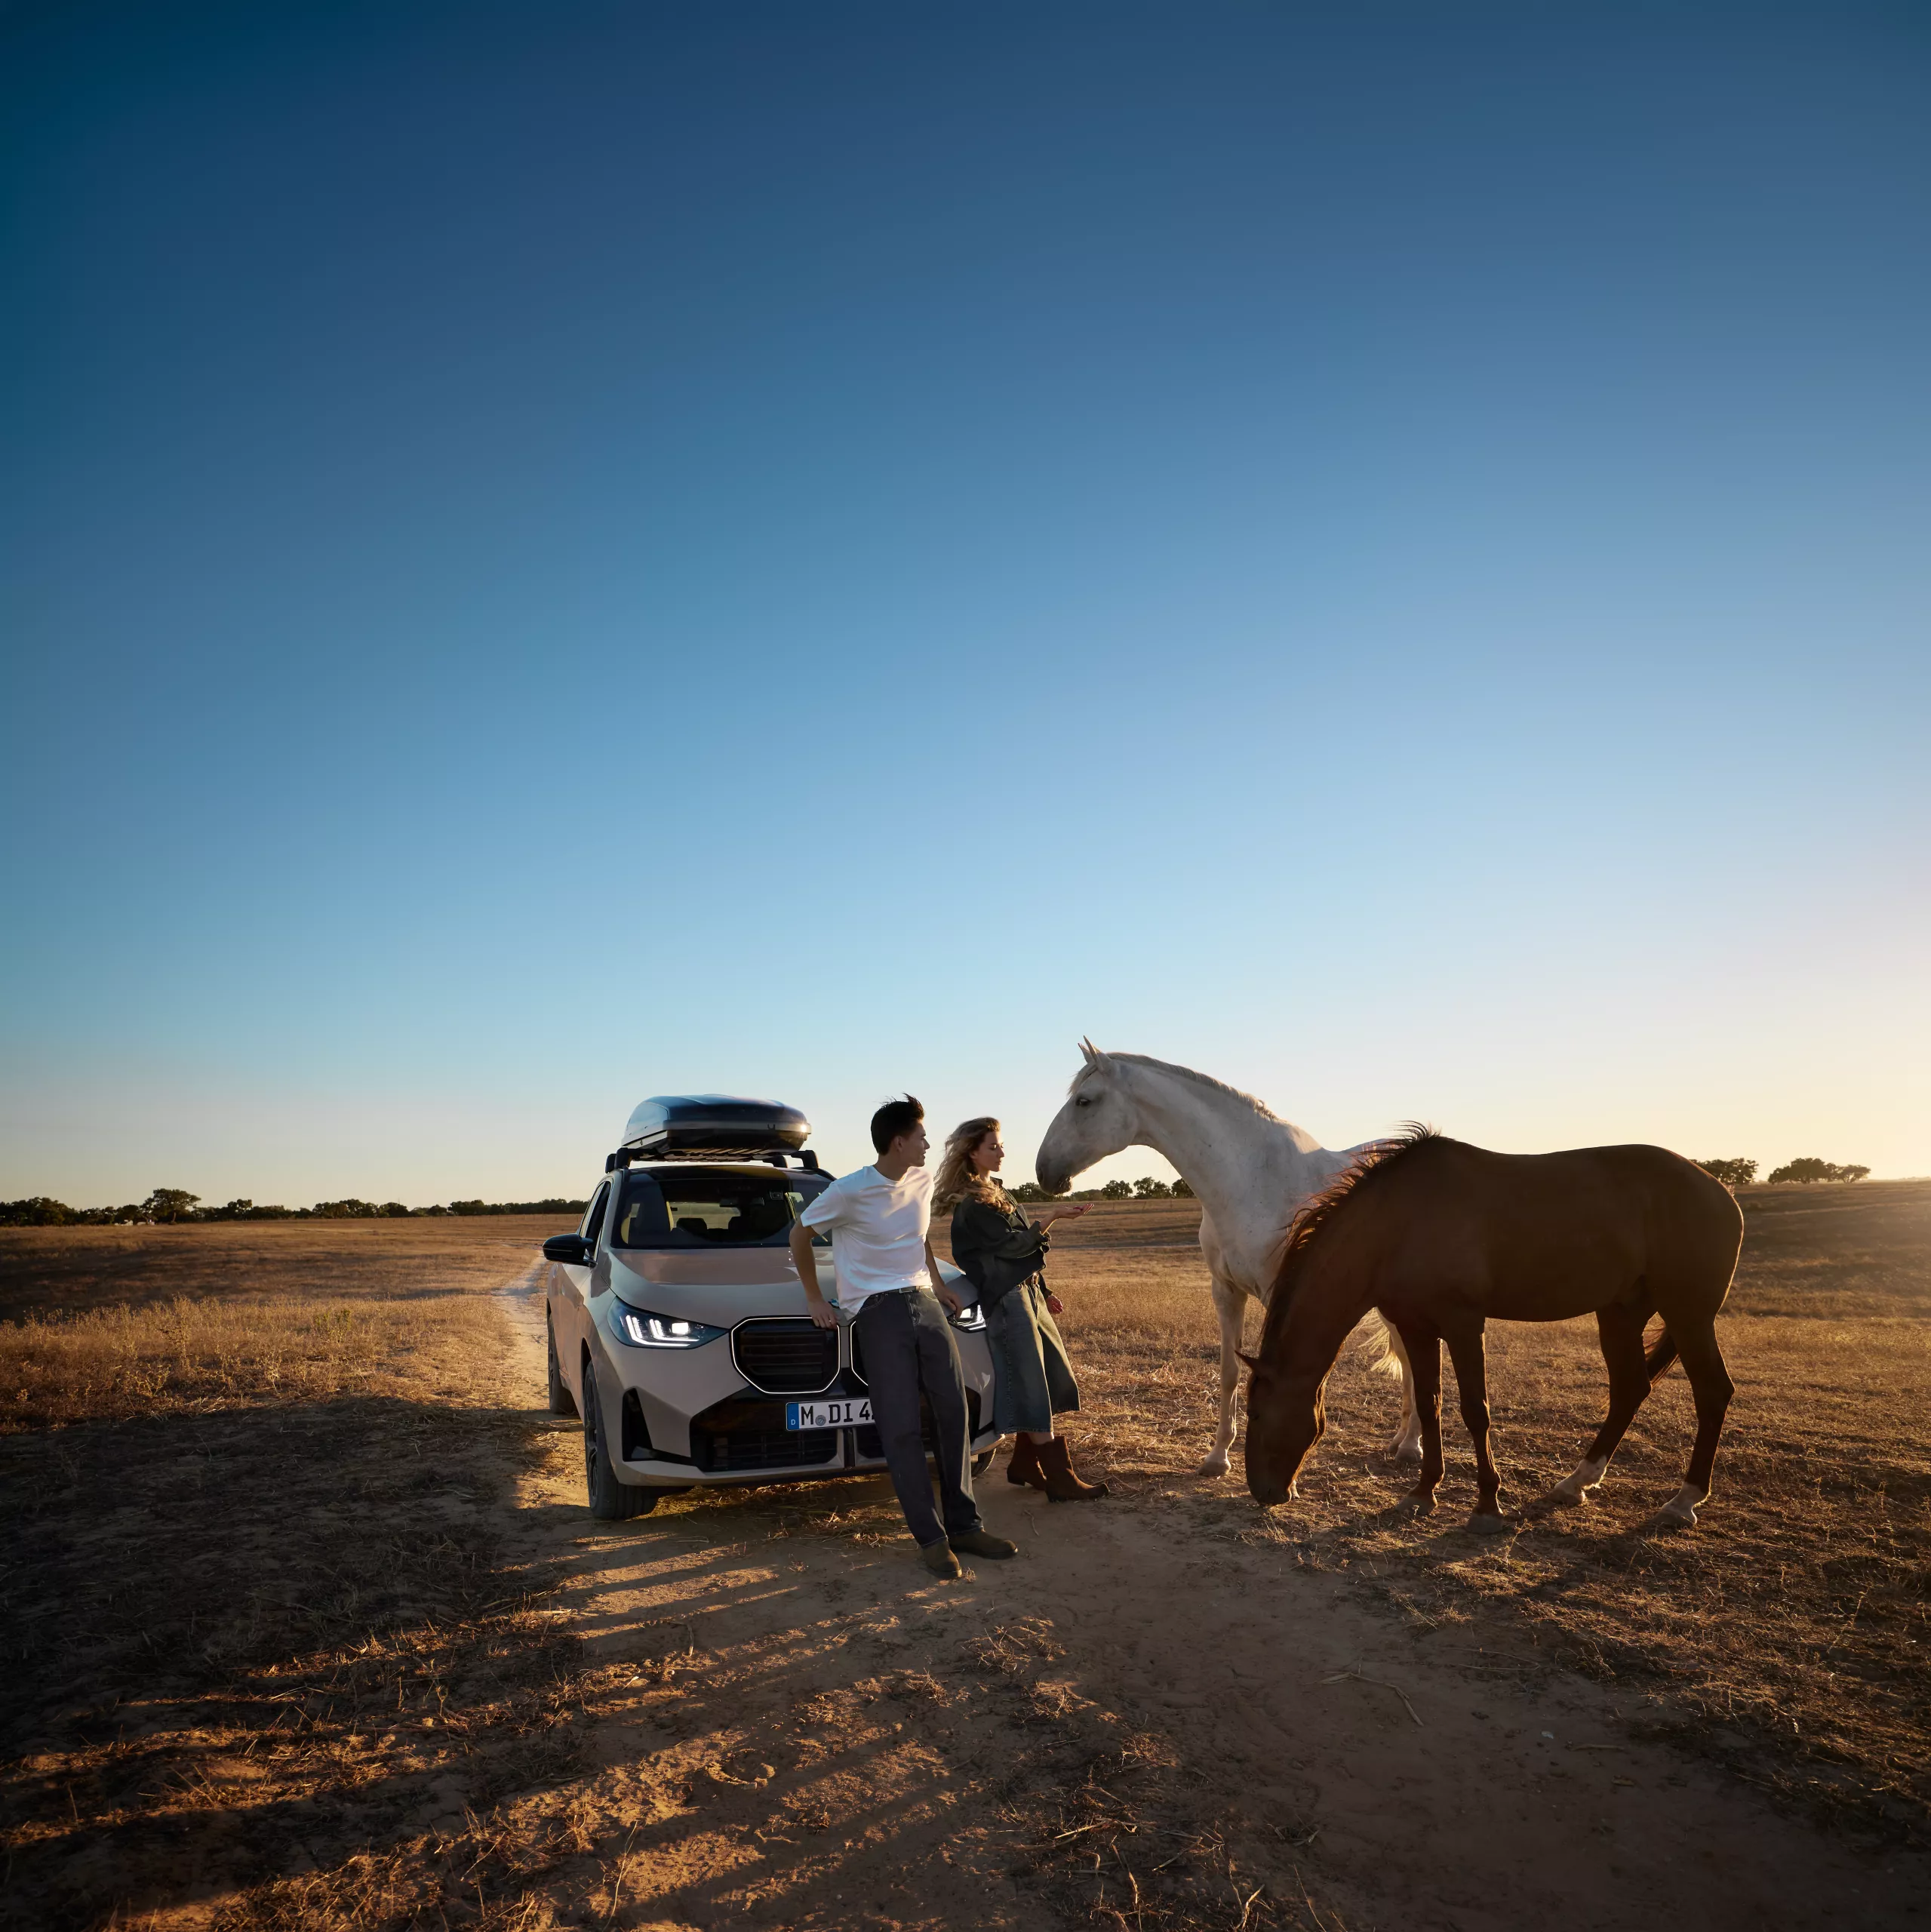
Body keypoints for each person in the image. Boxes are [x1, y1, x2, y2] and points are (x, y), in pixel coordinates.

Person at [788, 1095, 1019, 1580]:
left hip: (924, 1304)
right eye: (920, 1137)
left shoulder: (920, 1180)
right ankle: (932, 1538)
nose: (928, 1145)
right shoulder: (849, 1191)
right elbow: (799, 1236)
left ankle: (965, 1526)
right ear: (899, 1142)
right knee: (901, 1427)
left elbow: (917, 1239)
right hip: (877, 1311)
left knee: (954, 1413)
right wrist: (814, 1298)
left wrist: (936, 1283)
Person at [936, 1117, 1108, 1502]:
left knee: (1046, 1375)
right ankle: (1060, 1478)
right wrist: (1050, 1220)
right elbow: (1012, 1248)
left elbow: (1022, 1253)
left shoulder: (997, 1191)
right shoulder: (972, 1203)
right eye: (993, 1147)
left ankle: (1026, 1464)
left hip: (1027, 1293)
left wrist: (1044, 1291)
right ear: (972, 1152)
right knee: (1028, 1380)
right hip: (1008, 1300)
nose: (1001, 1153)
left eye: (1000, 1146)